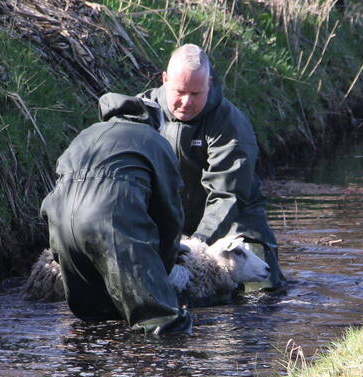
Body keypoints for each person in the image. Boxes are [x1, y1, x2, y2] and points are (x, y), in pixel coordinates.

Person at [40, 93, 192, 334]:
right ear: (154, 122)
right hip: (110, 224)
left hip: (60, 227)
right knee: (162, 323)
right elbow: (170, 215)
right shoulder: (154, 140)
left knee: (97, 323)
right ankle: (162, 368)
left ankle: (83, 369)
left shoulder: (84, 135)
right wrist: (159, 270)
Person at [141, 44, 285, 290]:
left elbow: (226, 194)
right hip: (169, 218)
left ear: (209, 82)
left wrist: (198, 245)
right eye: (179, 91)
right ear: (164, 80)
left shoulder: (230, 123)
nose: (186, 102)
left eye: (196, 94)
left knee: (260, 293)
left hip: (233, 219)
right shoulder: (142, 112)